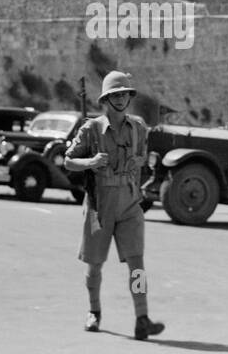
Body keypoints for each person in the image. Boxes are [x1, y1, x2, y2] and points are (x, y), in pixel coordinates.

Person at [62, 71, 165, 340]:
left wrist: (138, 162)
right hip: (101, 203)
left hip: (130, 202)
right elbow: (68, 161)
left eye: (124, 94)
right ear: (106, 100)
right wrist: (91, 162)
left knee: (137, 265)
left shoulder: (139, 127)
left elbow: (142, 156)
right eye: (115, 95)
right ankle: (94, 311)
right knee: (94, 264)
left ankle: (142, 318)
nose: (120, 99)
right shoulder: (91, 129)